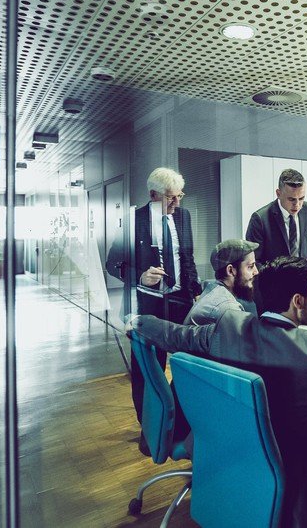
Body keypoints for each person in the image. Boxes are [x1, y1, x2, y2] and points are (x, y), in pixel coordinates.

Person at [131, 256, 307, 527]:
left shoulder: (226, 329)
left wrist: (139, 322)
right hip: (300, 481)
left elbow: (176, 335)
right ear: (297, 301)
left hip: (234, 457)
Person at [105, 167, 201, 452]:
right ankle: (150, 431)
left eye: (179, 196)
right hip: (148, 306)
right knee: (149, 371)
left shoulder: (183, 216)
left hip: (180, 302)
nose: (176, 203)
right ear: (153, 195)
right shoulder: (133, 222)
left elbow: (188, 257)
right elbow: (113, 264)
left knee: (191, 364)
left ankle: (184, 423)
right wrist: (140, 276)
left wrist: (194, 290)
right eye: (170, 198)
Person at [246, 168, 307, 277]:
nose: (297, 204)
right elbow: (255, 261)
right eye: (291, 199)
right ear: (278, 193)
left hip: (304, 281)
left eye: (301, 198)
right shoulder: (260, 219)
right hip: (273, 285)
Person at [185, 239, 258, 325]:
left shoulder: (213, 290)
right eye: (250, 266)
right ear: (230, 270)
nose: (256, 271)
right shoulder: (228, 308)